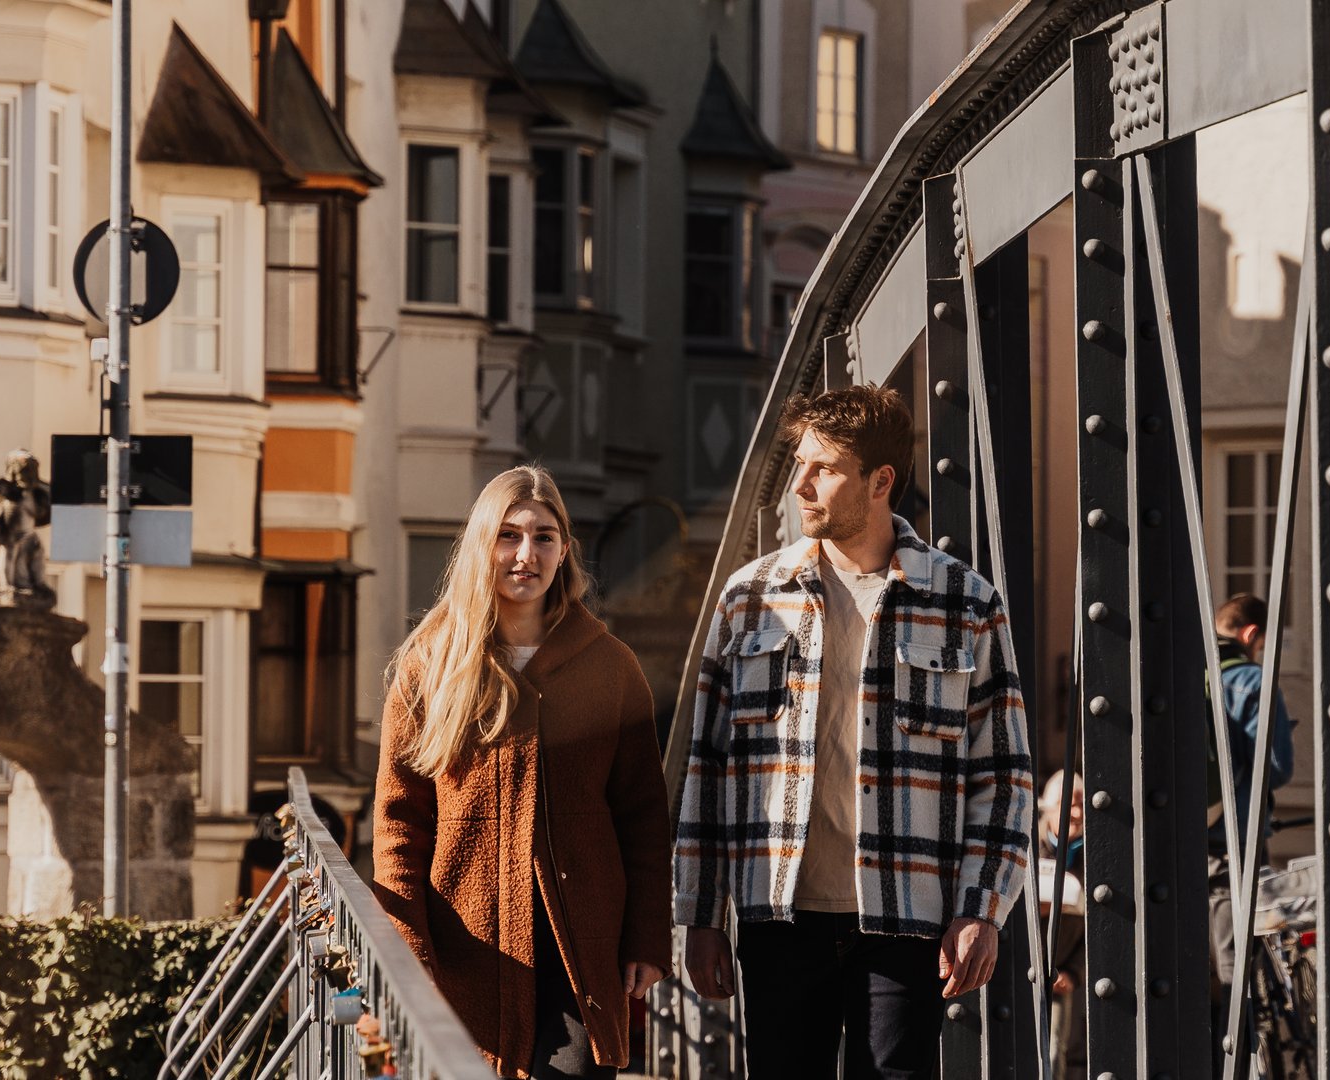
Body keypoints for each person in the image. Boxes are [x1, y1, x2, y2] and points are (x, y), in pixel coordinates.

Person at [674, 385, 1034, 1080]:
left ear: (880, 482)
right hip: (777, 912)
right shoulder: (750, 599)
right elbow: (708, 770)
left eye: (824, 469)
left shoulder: (965, 602)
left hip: (906, 914)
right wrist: (701, 912)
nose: (800, 485)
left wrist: (982, 908)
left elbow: (1005, 773)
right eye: (799, 464)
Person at [373, 466, 672, 1080]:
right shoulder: (430, 666)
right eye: (508, 536)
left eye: (543, 536)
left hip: (579, 946)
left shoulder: (611, 668)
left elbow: (643, 817)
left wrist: (647, 937)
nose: (525, 554)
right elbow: (398, 820)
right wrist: (409, 946)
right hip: (467, 944)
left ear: (565, 550)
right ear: (482, 545)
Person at [1205, 595, 1294, 992]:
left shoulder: (1188, 673)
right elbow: (1274, 770)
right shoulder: (1252, 682)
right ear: (1251, 633)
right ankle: (1239, 1053)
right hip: (1233, 842)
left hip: (1179, 840)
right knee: (1236, 969)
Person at [1037, 769, 1087, 1080]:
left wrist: (1073, 972)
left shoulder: (1097, 856)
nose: (1078, 813)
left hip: (1061, 975)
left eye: (1082, 805)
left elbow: (1104, 930)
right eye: (1070, 804)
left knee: (1054, 1051)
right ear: (1049, 807)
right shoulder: (1029, 845)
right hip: (1019, 971)